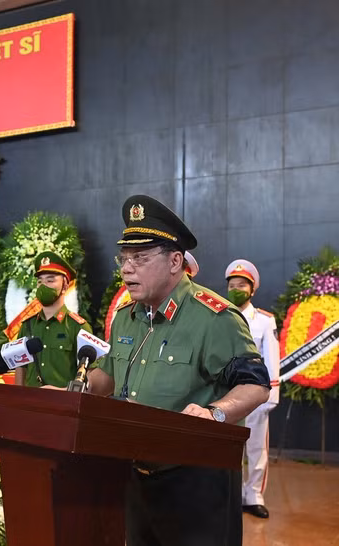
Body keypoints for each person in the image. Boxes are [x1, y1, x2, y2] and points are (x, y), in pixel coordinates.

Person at [87, 195, 270, 546]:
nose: (127, 269)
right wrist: (72, 392)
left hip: (196, 484)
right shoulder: (127, 317)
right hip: (135, 476)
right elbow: (108, 373)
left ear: (175, 261)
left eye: (140, 258)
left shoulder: (214, 318)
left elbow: (256, 385)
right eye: (124, 258)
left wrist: (215, 414)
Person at [225, 259, 280, 519]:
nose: (236, 290)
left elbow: (272, 358)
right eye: (232, 285)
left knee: (257, 447)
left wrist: (272, 396)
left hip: (257, 393)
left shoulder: (264, 321)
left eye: (241, 285)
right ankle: (233, 494)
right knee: (230, 446)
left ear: (252, 290)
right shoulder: (221, 317)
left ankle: (254, 495)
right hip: (227, 394)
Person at [15, 252, 91, 387]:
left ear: (65, 286)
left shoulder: (78, 327)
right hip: (29, 399)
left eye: (50, 281)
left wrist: (63, 392)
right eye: (40, 281)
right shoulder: (28, 325)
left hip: (63, 400)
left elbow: (89, 375)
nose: (43, 285)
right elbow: (20, 367)